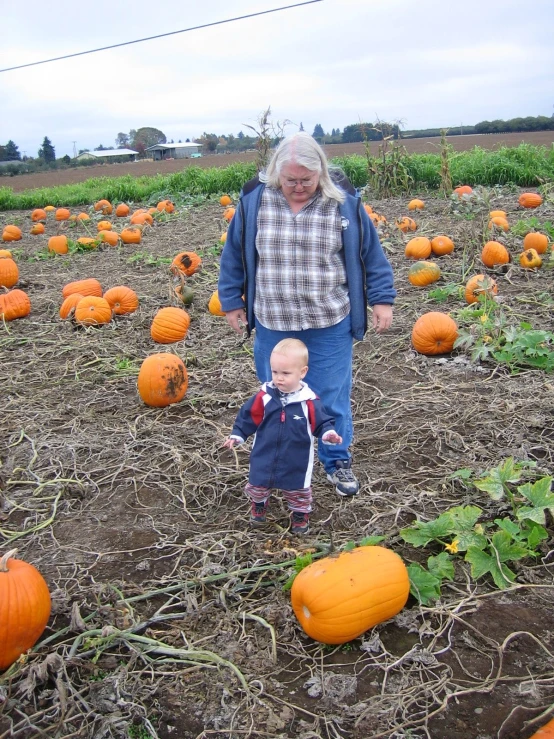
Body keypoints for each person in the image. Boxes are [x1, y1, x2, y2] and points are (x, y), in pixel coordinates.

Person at [218, 131, 395, 497]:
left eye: (307, 180)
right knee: (278, 397)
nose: (298, 187)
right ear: (276, 174)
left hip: (329, 319)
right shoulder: (255, 201)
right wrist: (232, 300)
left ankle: (336, 459)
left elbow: (370, 254)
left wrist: (382, 299)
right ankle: (279, 461)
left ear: (322, 174)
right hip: (273, 319)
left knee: (329, 398)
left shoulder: (343, 202)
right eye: (290, 180)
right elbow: (234, 254)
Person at [223, 339, 342, 534]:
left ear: (302, 372)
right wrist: (237, 434)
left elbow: (321, 422)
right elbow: (248, 417)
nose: (279, 378)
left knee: (298, 490)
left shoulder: (309, 401)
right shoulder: (265, 396)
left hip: (296, 456)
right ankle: (259, 506)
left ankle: (299, 516)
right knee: (258, 483)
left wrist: (328, 434)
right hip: (265, 451)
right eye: (275, 372)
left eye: (286, 373)